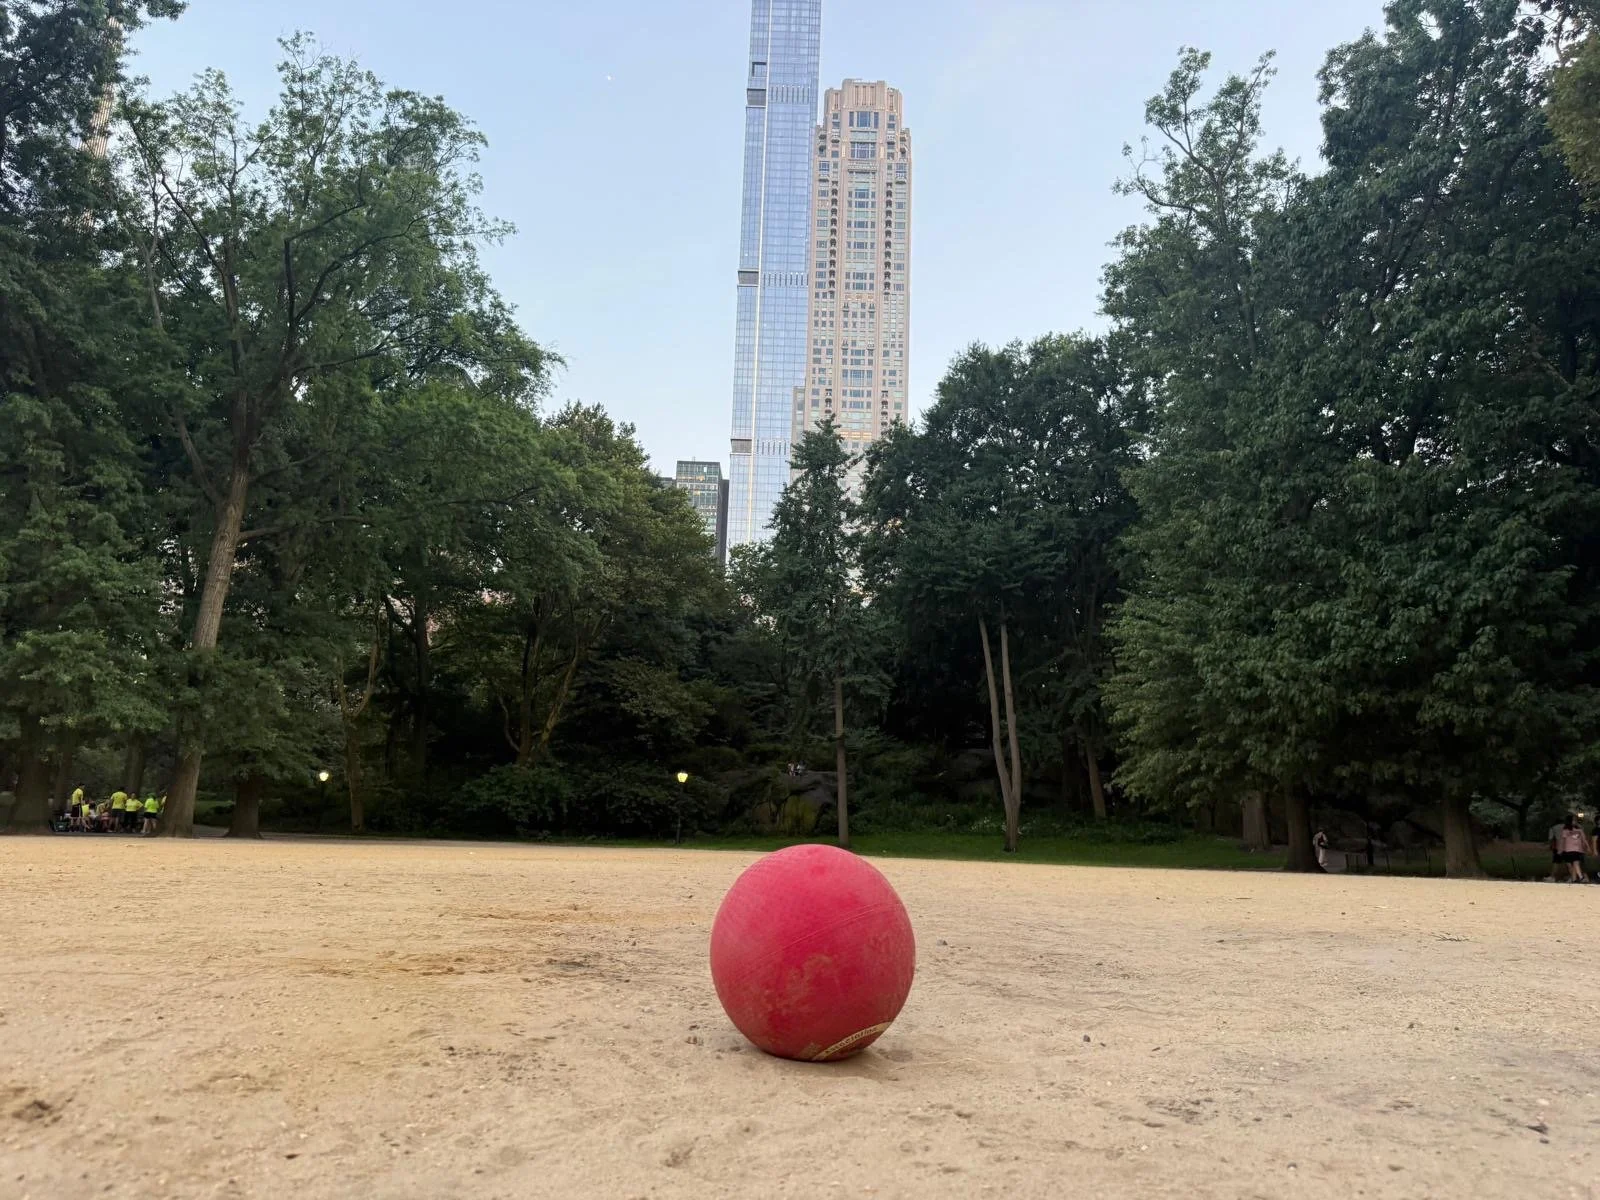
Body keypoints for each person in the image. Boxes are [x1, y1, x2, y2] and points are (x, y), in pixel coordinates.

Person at [1554, 814, 1590, 883]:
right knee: (1574, 863)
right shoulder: (1565, 831)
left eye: (1575, 820)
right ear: (1569, 821)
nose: (1575, 821)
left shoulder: (1579, 830)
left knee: (1575, 863)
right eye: (1573, 820)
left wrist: (1587, 847)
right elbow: (1562, 841)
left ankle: (1575, 879)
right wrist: (1560, 849)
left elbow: (1584, 839)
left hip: (1578, 849)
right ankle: (1579, 878)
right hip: (1569, 850)